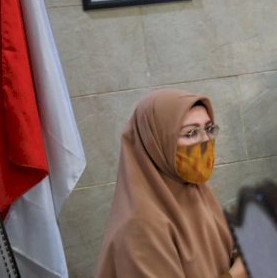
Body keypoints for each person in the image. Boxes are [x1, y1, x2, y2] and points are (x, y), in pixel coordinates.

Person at [95, 88, 246, 278]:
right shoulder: (140, 226)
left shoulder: (194, 189)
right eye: (190, 133)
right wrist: (239, 273)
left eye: (209, 129)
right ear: (155, 143)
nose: (205, 140)